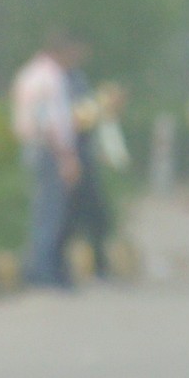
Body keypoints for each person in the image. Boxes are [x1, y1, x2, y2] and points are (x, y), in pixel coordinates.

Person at [11, 36, 81, 289]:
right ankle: (43, 270)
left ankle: (36, 266)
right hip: (49, 150)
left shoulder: (28, 74)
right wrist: (66, 157)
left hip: (32, 147)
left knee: (40, 210)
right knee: (50, 212)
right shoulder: (51, 78)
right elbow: (50, 121)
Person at [64, 78, 125, 283]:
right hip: (71, 161)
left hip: (86, 164)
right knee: (69, 218)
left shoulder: (79, 81)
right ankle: (59, 265)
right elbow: (77, 120)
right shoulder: (63, 86)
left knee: (97, 219)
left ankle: (99, 265)